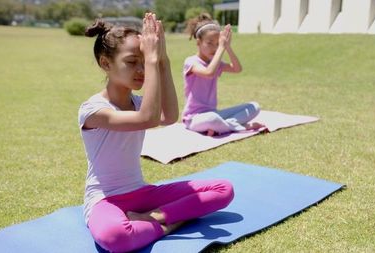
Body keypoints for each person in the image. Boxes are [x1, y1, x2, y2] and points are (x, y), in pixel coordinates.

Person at [78, 13, 234, 252]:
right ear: (105, 64)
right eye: (132, 62)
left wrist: (163, 60)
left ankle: (154, 218)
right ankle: (172, 222)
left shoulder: (139, 102)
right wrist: (151, 59)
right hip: (104, 199)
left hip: (141, 194)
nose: (141, 69)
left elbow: (169, 116)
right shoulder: (93, 110)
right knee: (116, 237)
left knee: (224, 189)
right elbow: (148, 118)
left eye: (143, 61)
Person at [182, 13, 264, 136]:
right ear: (198, 42)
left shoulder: (216, 63)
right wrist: (221, 47)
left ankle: (225, 126)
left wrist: (227, 47)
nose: (214, 48)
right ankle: (239, 126)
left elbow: (237, 69)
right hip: (194, 119)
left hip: (214, 114)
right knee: (212, 119)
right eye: (210, 43)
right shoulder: (191, 62)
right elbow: (209, 73)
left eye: (217, 43)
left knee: (254, 106)